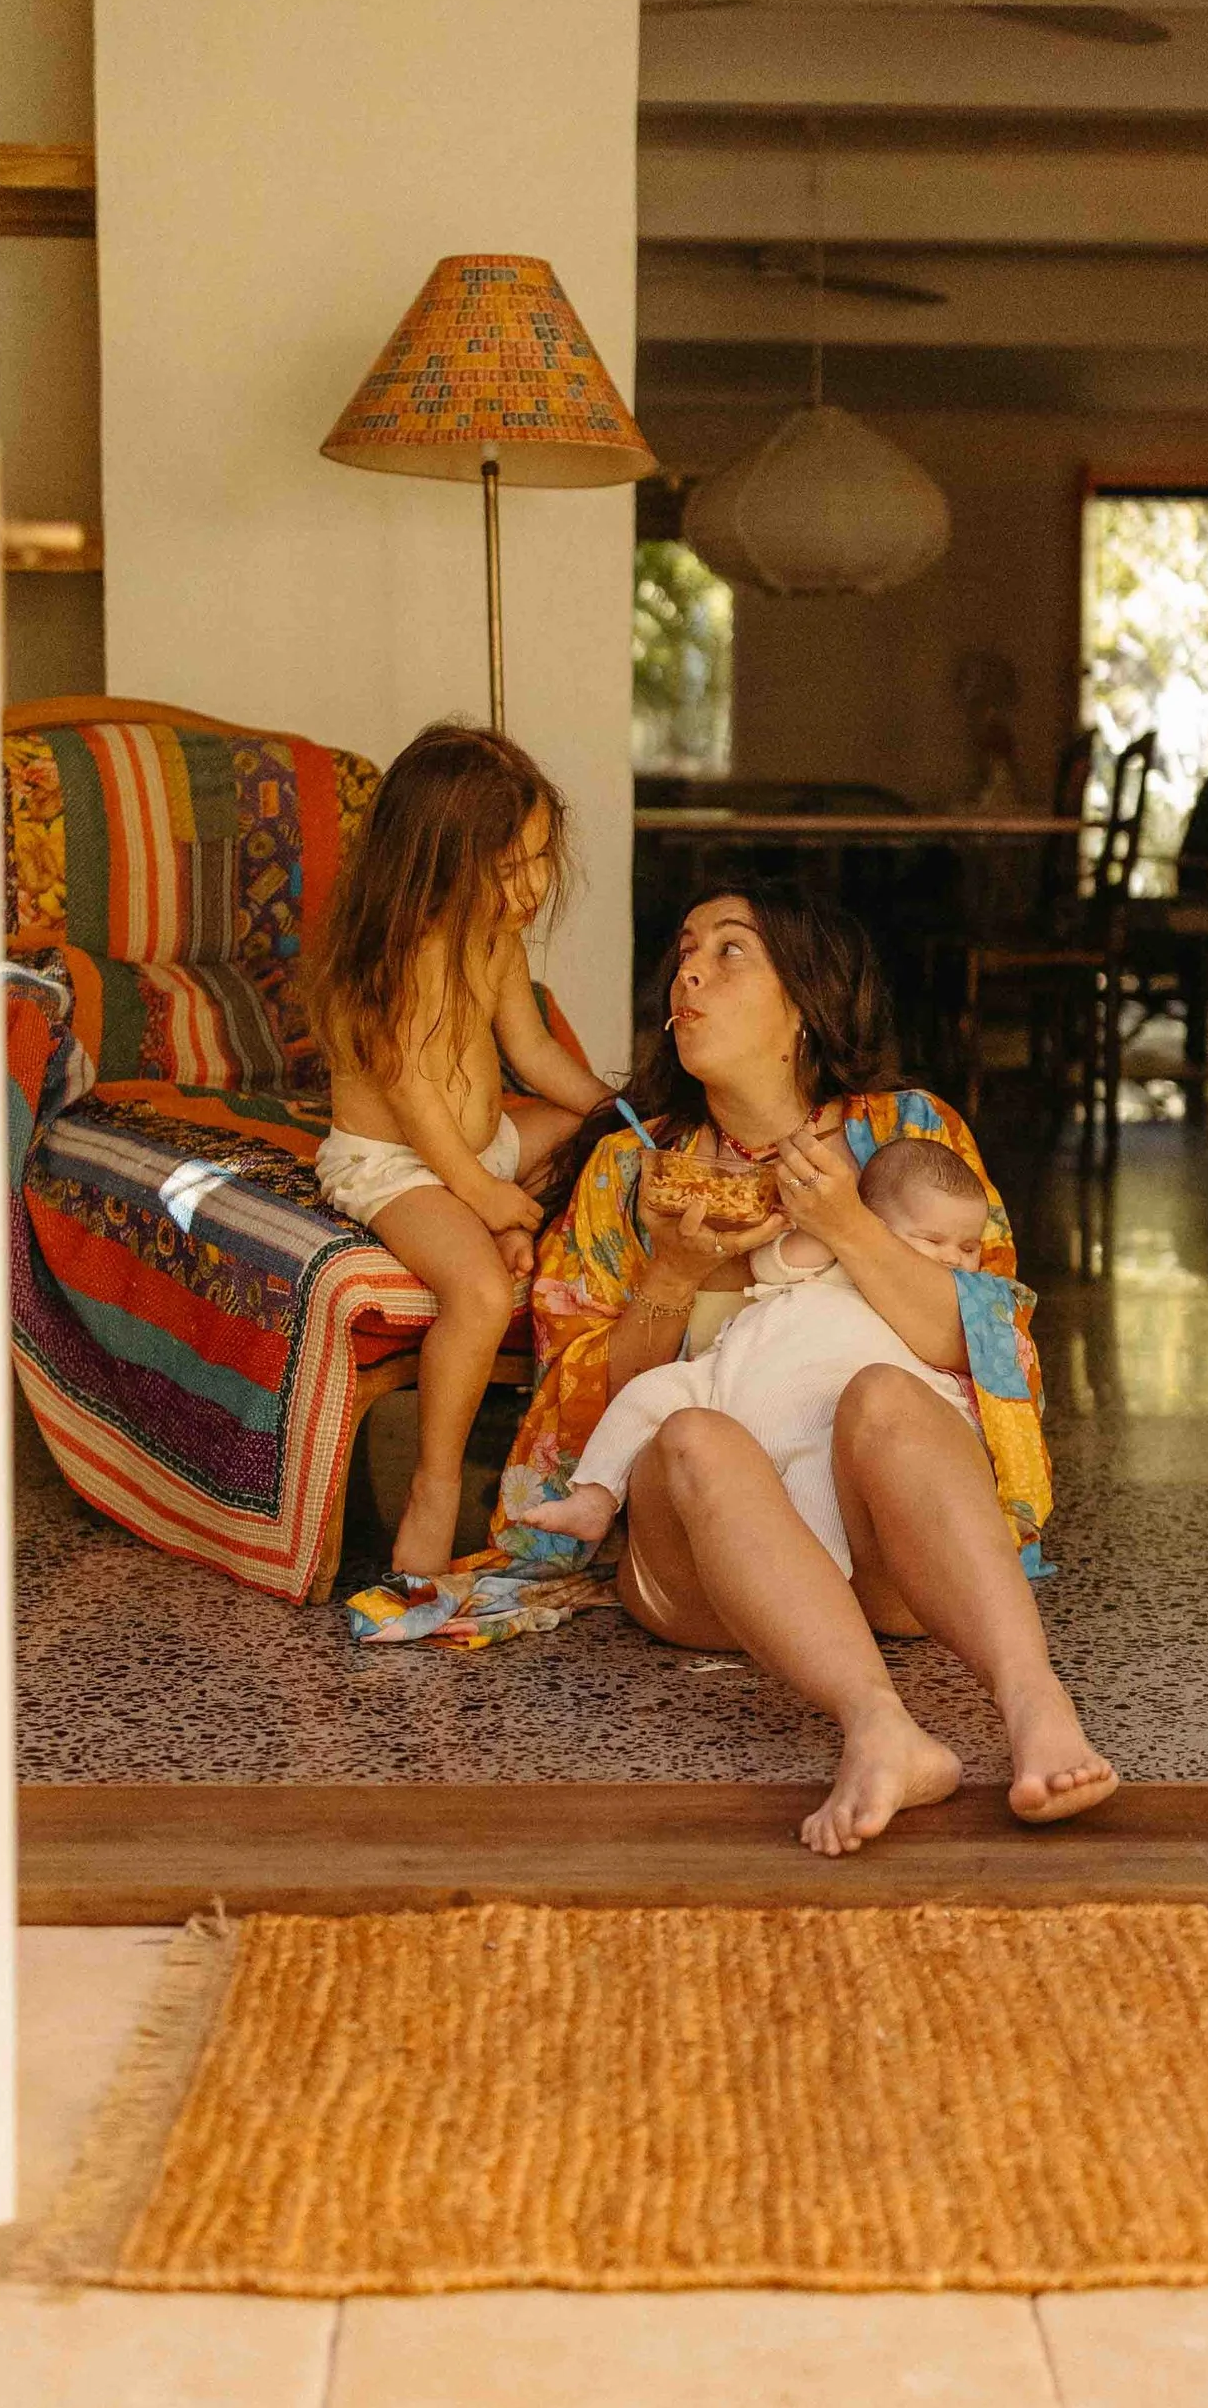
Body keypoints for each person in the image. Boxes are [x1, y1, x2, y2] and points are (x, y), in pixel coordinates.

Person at [496, 884, 1118, 1857]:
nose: (689, 971)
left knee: (882, 1394)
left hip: (892, 1561)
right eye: (685, 949)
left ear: (803, 1005)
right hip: (708, 1573)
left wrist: (845, 1227)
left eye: (731, 952)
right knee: (696, 1432)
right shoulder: (628, 1167)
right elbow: (589, 1406)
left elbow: (985, 1347)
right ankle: (876, 1724)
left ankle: (1037, 1708)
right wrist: (674, 1271)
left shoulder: (907, 1135)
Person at [309, 724, 616, 1580]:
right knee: (480, 1293)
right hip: (398, 1165)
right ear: (436, 858)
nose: (533, 884)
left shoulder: (497, 938)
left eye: (541, 858)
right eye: (509, 866)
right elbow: (412, 1103)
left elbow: (535, 1054)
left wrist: (622, 1111)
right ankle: (435, 1487)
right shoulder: (399, 959)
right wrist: (480, 1196)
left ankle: (519, 1226)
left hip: (483, 1148)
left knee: (590, 1143)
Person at [518, 1134, 985, 1563]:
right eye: (933, 1240)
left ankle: (814, 1590)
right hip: (733, 1374)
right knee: (648, 1394)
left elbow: (964, 1356)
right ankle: (595, 1496)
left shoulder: (931, 1295)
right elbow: (771, 1264)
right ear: (872, 1220)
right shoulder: (837, 1253)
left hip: (820, 1418)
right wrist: (824, 1228)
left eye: (970, 1247)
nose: (954, 1258)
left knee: (814, 1508)